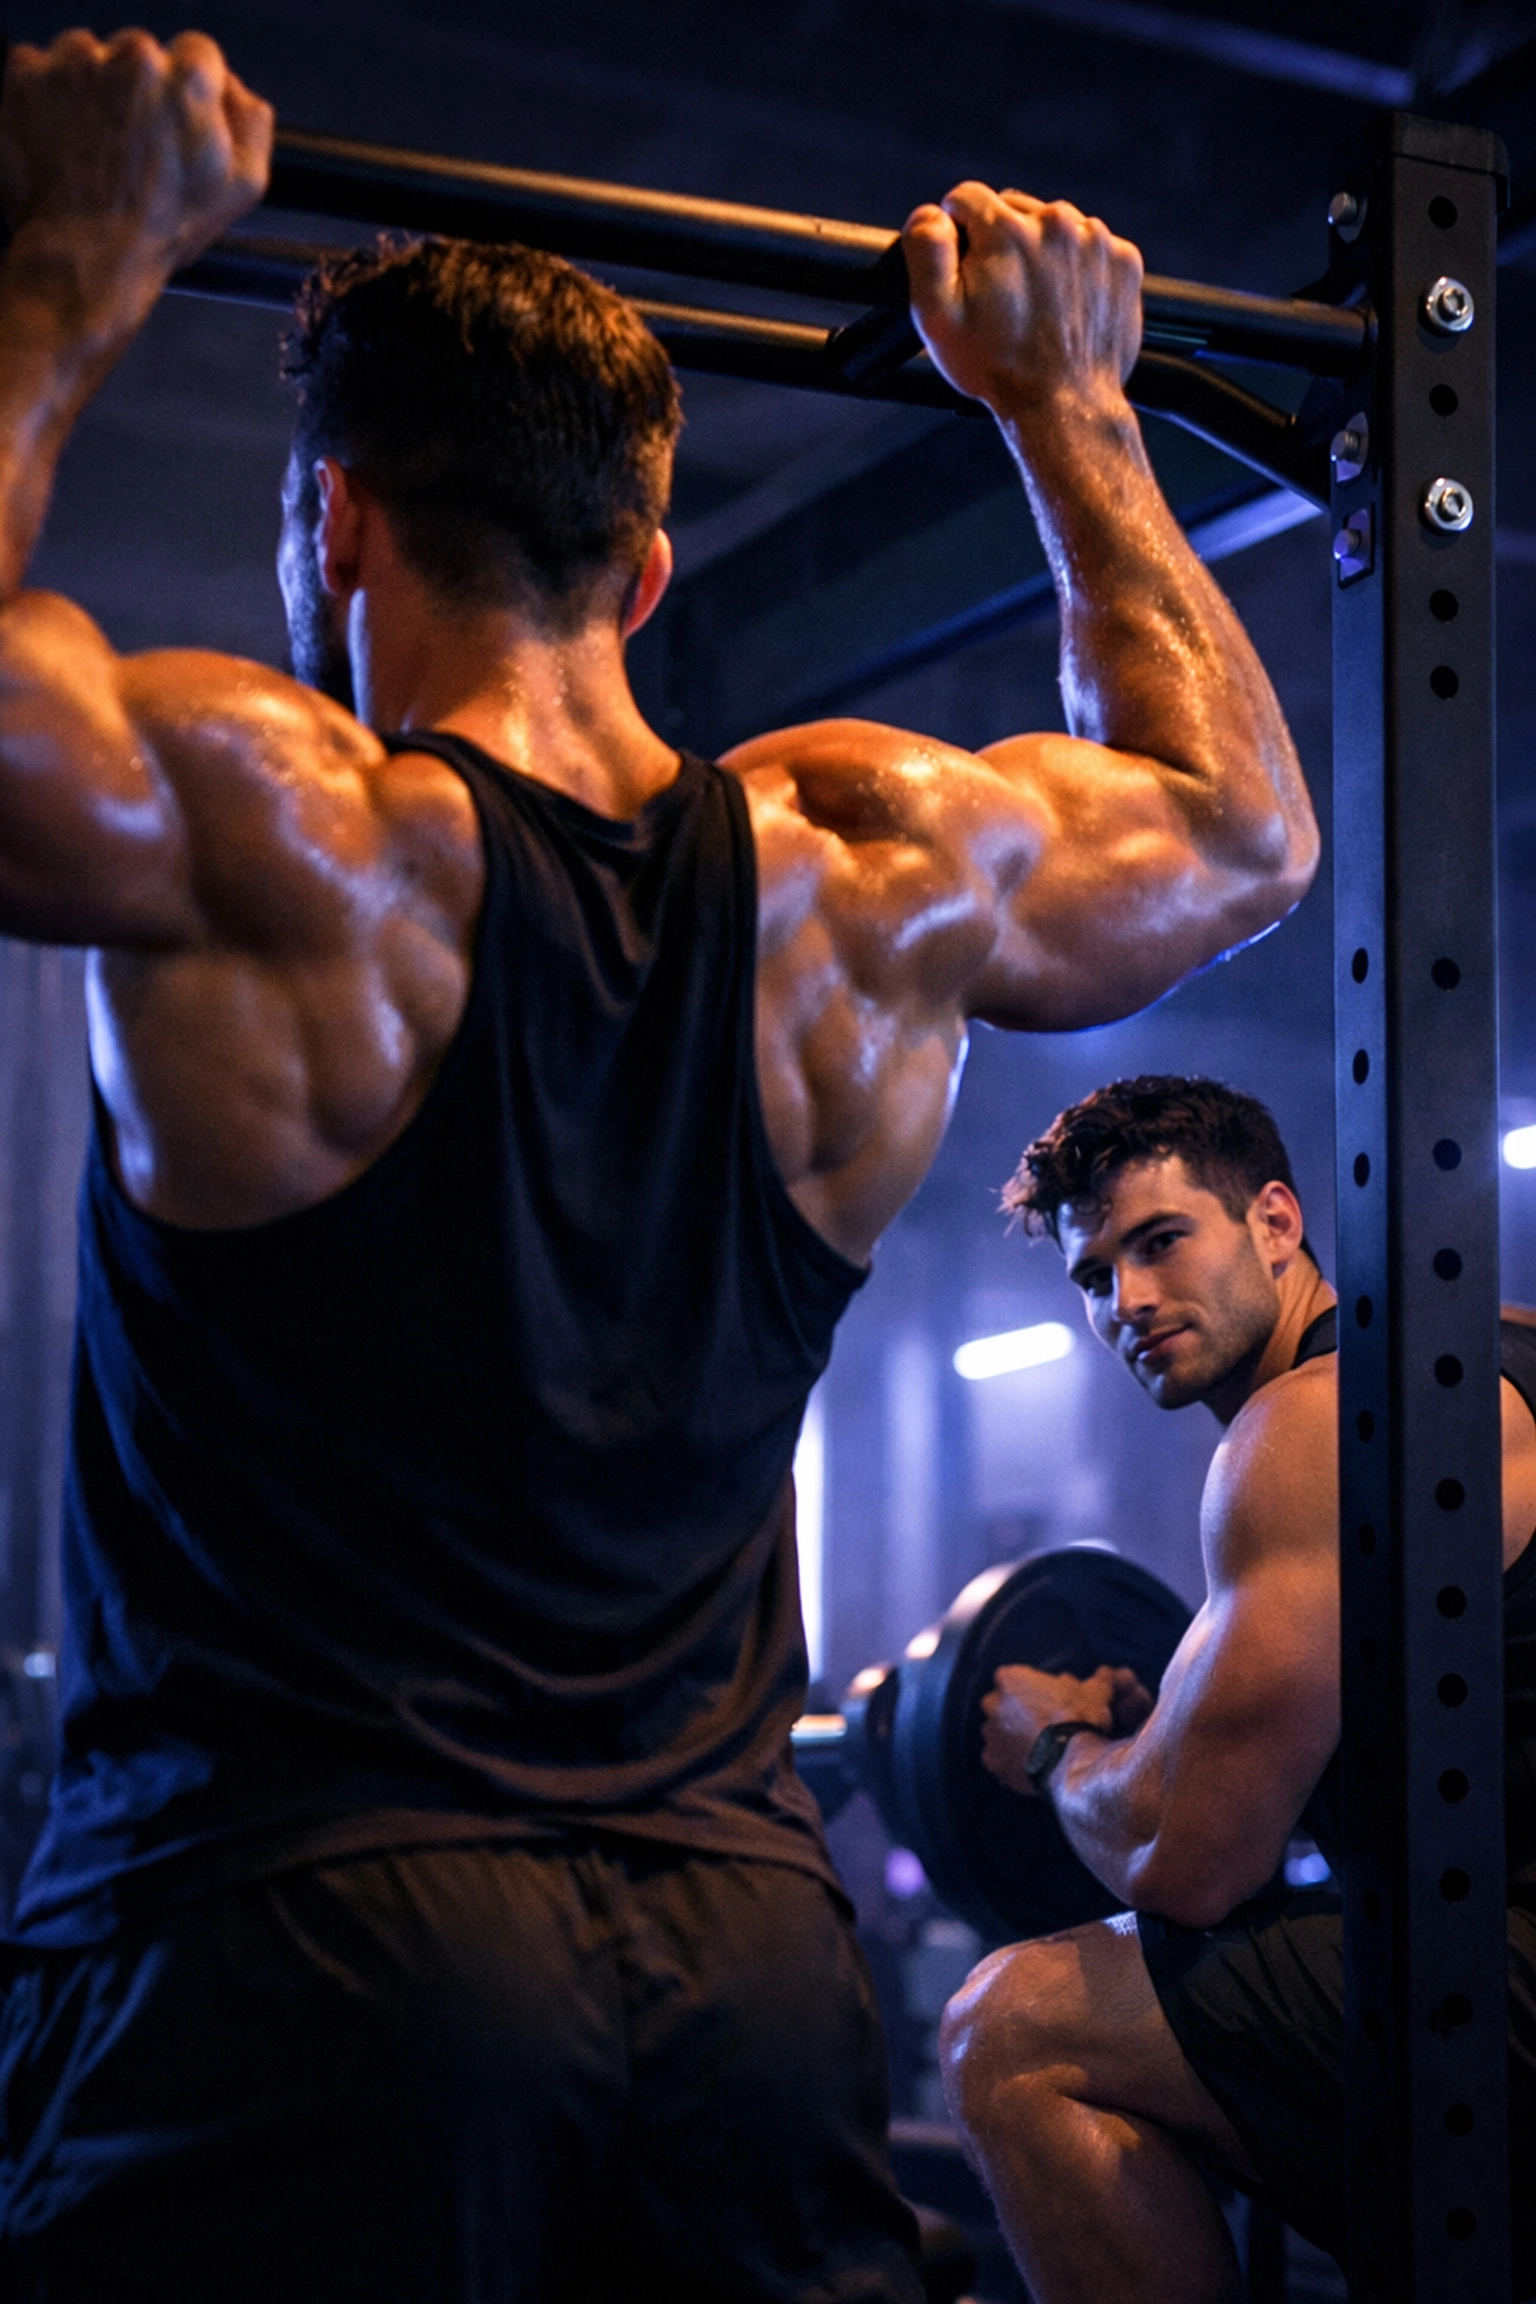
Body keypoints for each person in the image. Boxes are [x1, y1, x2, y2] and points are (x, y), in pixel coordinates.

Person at [0, 28, 1317, 2302]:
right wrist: (1063, 406)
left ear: (337, 520)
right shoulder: (862, 868)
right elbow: (1239, 834)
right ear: (646, 561)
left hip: (300, 1953)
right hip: (740, 1975)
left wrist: (66, 263)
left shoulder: (287, 823)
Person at [940, 1074, 1536, 2304]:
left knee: (1010, 2028)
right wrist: (1148, 1727)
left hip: (1516, 1979)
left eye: (1162, 1241)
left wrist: (1057, 1747)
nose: (1130, 1302)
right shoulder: (1488, 1348)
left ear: (1275, 1222)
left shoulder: (1311, 1429)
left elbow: (1190, 1864)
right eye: (1095, 1276)